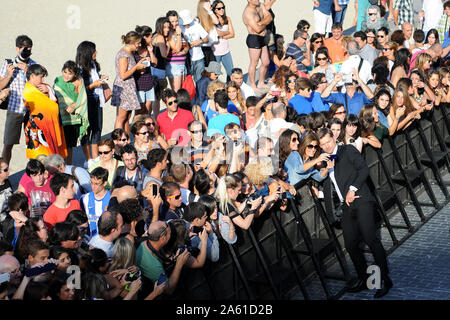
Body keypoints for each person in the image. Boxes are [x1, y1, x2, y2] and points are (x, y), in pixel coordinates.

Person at [317, 127, 392, 298]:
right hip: (346, 206)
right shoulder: (326, 161)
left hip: (361, 199)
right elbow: (334, 186)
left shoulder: (347, 150)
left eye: (328, 141)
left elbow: (364, 169)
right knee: (350, 245)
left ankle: (383, 279)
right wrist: (325, 172)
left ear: (334, 138)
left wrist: (352, 189)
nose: (327, 146)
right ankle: (364, 279)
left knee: (371, 239)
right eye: (323, 144)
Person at [0, 35, 36, 165]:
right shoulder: (8, 63)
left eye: (29, 50)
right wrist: (9, 74)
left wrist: (28, 72)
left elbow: (38, 88)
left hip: (31, 110)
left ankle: (34, 174)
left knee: (34, 145)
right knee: (8, 144)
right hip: (14, 109)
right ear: (17, 49)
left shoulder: (34, 64)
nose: (27, 53)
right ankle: (3, 176)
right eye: (24, 50)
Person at [23, 64, 67, 159]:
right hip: (36, 130)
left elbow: (54, 101)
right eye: (41, 77)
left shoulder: (44, 87)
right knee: (40, 160)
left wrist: (48, 91)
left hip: (48, 129)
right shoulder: (27, 91)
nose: (43, 80)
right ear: (32, 76)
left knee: (51, 159)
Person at [76, 41, 108, 168]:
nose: (96, 52)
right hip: (86, 103)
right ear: (88, 53)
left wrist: (100, 78)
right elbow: (80, 89)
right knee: (85, 131)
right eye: (94, 50)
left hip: (97, 100)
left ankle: (95, 158)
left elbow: (95, 78)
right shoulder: (80, 69)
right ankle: (88, 159)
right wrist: (94, 85)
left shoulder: (94, 65)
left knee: (97, 129)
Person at [53, 60, 89, 165]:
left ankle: (68, 166)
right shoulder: (58, 81)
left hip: (73, 119)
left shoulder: (79, 81)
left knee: (69, 146)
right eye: (65, 72)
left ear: (75, 74)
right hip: (60, 117)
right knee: (60, 144)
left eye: (70, 73)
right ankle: (61, 166)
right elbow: (54, 96)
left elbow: (83, 98)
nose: (67, 75)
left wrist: (73, 106)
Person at [112, 31, 148, 133]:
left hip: (128, 87)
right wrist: (137, 67)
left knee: (127, 117)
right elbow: (123, 75)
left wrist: (140, 68)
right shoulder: (124, 55)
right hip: (124, 88)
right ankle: (117, 141)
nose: (140, 45)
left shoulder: (129, 53)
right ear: (132, 43)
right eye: (138, 43)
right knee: (121, 117)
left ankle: (126, 141)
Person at [242, 0, 274, 91]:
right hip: (254, 39)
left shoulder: (260, 5)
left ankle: (261, 82)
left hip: (263, 39)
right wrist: (264, 21)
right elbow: (257, 29)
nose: (257, 0)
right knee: (254, 63)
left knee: (266, 62)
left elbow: (270, 17)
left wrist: (261, 22)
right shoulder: (248, 13)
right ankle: (253, 85)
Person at [134, 25, 158, 116]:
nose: (152, 39)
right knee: (139, 113)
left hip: (149, 83)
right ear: (144, 37)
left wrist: (151, 52)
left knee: (147, 112)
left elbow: (155, 63)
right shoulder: (135, 51)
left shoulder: (149, 49)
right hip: (138, 85)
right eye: (150, 37)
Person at [81, 167, 111, 237]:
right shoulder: (84, 198)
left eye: (97, 184)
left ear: (105, 183)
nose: (93, 186)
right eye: (91, 183)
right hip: (89, 241)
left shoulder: (112, 198)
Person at [211, 0, 235, 78]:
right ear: (214, 10)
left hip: (226, 51)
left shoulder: (227, 19)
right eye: (219, 8)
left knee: (231, 73)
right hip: (215, 52)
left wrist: (221, 36)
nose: (222, 10)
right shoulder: (212, 20)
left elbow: (232, 34)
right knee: (215, 75)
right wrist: (227, 32)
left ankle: (229, 89)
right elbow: (218, 33)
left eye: (223, 7)